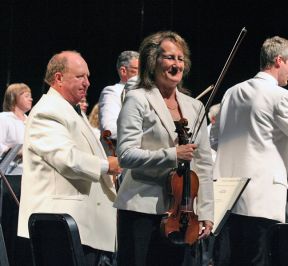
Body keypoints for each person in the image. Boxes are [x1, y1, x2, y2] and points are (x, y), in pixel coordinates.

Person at [211, 36, 288, 266]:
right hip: (261, 200)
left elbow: (214, 139)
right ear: (278, 60)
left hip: (226, 197)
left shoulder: (231, 92)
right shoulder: (281, 96)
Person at [114, 31, 214, 266]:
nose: (176, 64)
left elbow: (204, 165)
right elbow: (126, 155)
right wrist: (172, 154)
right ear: (153, 61)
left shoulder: (195, 107)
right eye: (169, 57)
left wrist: (207, 214)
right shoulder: (137, 99)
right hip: (141, 209)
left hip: (184, 216)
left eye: (180, 58)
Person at [17, 50, 122, 266]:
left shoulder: (71, 110)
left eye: (88, 77)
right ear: (58, 78)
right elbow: (67, 159)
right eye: (80, 76)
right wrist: (107, 165)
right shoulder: (47, 111)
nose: (87, 83)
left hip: (85, 229)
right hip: (64, 228)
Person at [0, 83, 33, 265]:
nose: (31, 98)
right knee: (10, 219)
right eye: (26, 95)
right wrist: (15, 150)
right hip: (9, 177)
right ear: (14, 97)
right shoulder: (4, 118)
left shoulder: (30, 121)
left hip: (28, 177)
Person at [99, 50, 139, 144]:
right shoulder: (112, 92)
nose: (143, 75)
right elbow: (110, 131)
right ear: (123, 71)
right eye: (138, 69)